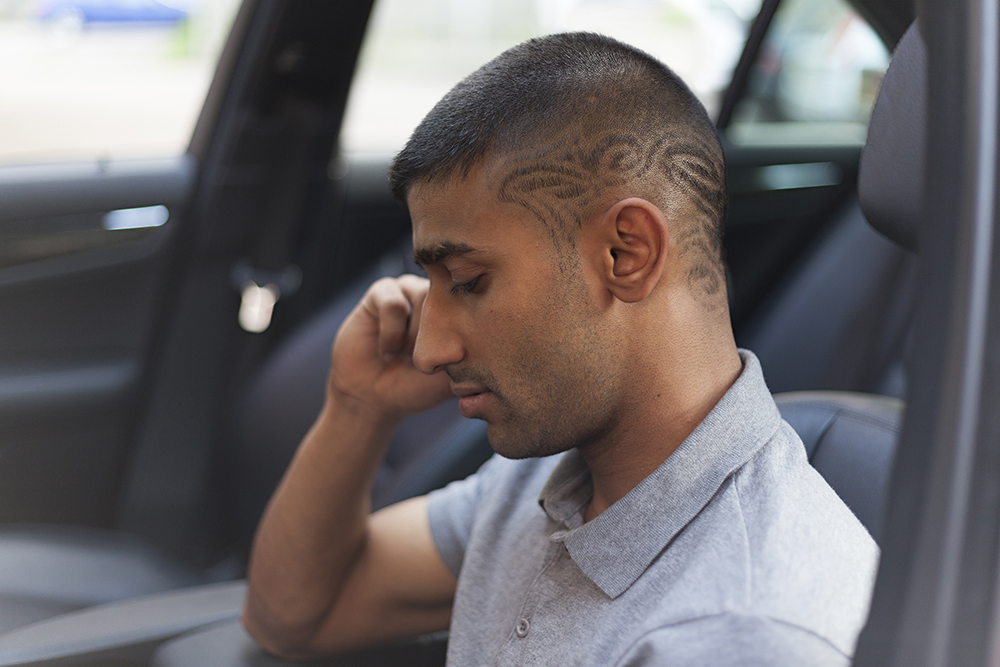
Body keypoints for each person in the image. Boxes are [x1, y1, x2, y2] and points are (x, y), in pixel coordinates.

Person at [242, 32, 878, 666]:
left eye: (468, 282)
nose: (429, 349)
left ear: (625, 253)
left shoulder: (741, 634)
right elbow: (293, 615)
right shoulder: (551, 479)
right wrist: (358, 406)